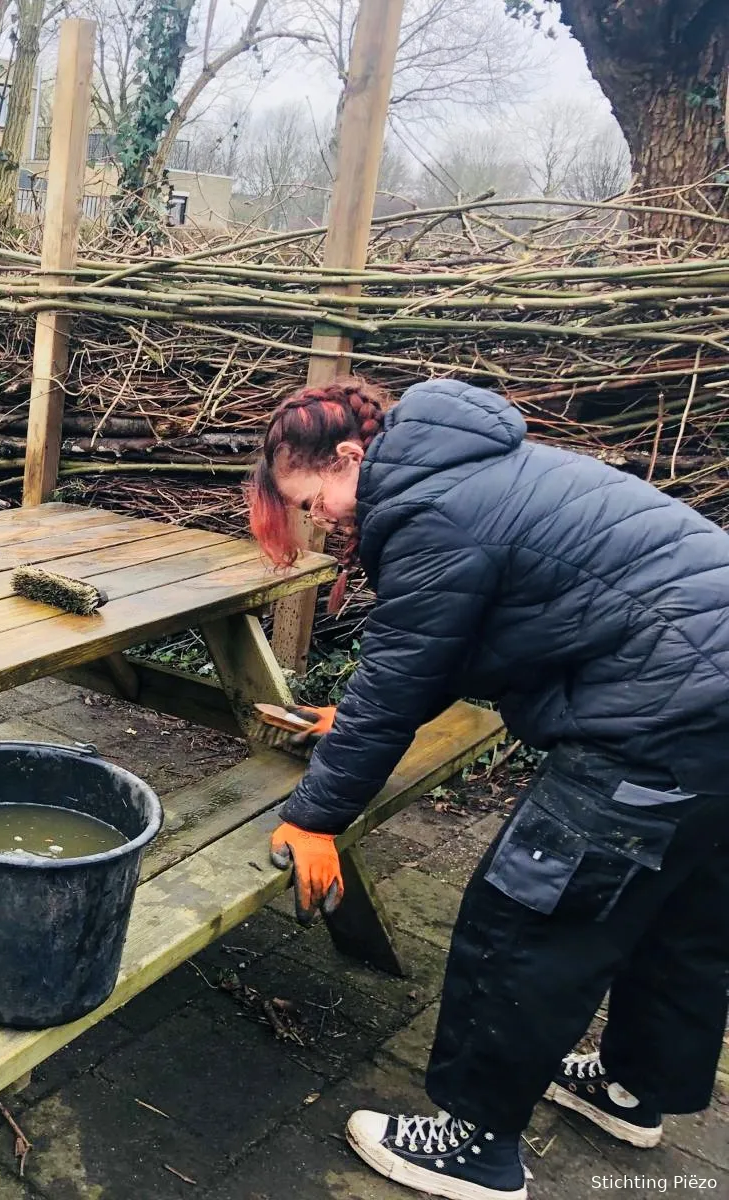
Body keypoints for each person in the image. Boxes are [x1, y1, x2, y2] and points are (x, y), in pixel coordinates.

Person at [249, 377, 729, 1200]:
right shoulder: (477, 474)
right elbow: (446, 648)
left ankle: (473, 1146)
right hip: (709, 708)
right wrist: (349, 720)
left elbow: (399, 677)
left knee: (527, 918)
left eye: (313, 495)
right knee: (677, 914)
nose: (319, 517)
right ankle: (630, 1091)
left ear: (352, 457)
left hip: (661, 719)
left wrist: (316, 817)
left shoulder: (433, 515)